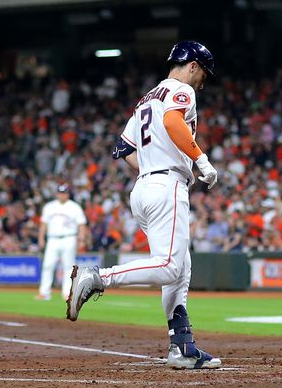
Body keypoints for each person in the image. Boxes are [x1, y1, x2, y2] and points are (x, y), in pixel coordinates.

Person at [66, 40, 222, 370]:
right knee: (168, 266)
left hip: (145, 187)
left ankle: (181, 347)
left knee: (180, 271)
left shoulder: (145, 99)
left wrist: (151, 168)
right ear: (192, 65)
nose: (203, 81)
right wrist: (200, 159)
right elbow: (172, 123)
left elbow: (122, 149)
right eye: (203, 73)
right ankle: (96, 278)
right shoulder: (180, 90)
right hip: (166, 186)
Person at [36, 183, 88, 301]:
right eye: (60, 193)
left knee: (69, 267)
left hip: (69, 238)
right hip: (52, 239)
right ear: (57, 194)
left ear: (68, 194)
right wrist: (41, 238)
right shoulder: (49, 207)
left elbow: (81, 224)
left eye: (64, 193)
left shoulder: (74, 207)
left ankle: (67, 293)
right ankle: (44, 293)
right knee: (48, 265)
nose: (62, 195)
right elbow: (43, 224)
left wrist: (82, 239)